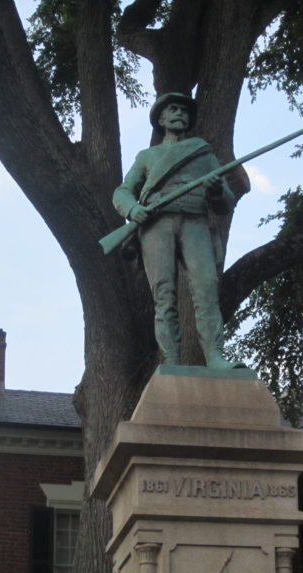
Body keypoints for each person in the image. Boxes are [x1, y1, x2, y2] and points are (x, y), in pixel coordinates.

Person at [112, 92, 241, 369]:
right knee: (164, 294)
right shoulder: (147, 156)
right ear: (161, 119)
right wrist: (133, 209)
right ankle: (171, 360)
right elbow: (123, 191)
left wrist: (217, 191)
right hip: (156, 225)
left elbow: (226, 202)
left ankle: (215, 356)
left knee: (207, 288)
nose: (180, 113)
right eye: (173, 109)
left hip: (195, 221)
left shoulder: (202, 152)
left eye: (184, 110)